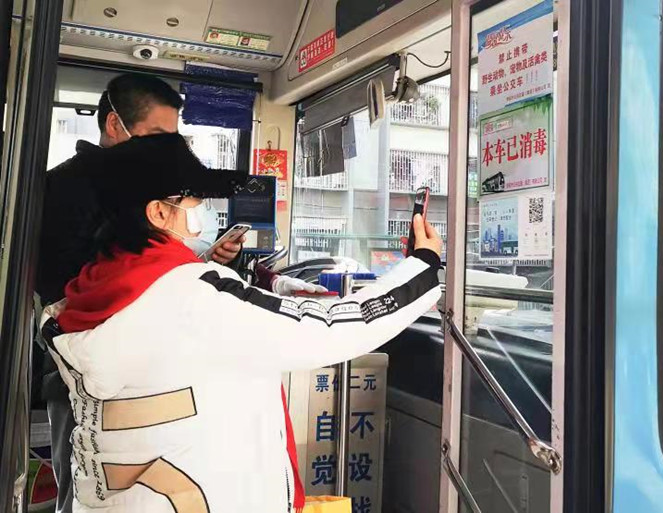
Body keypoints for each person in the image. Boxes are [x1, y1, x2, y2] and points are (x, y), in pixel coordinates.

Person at [40, 133, 442, 512]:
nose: (203, 208)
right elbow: (329, 328)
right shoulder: (190, 297)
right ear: (159, 212)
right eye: (195, 199)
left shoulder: (93, 290)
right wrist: (422, 265)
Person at [35, 73, 319, 513]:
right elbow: (69, 283)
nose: (166, 147)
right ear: (114, 125)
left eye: (173, 137)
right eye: (156, 135)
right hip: (89, 367)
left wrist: (203, 264)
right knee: (90, 481)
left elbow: (152, 273)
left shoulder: (143, 191)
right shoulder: (67, 188)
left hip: (152, 373)